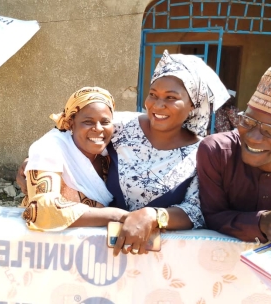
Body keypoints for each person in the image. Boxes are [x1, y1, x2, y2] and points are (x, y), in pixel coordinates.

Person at [17, 50, 230, 255]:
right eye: (153, 94)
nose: (158, 105)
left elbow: (196, 211)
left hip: (157, 256)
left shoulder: (202, 153)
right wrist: (37, 165)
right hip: (96, 245)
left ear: (194, 104)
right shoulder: (122, 126)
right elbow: (68, 134)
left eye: (171, 98)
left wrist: (153, 216)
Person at [21, 86, 128, 232]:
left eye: (104, 122)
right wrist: (115, 215)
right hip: (51, 244)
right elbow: (41, 209)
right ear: (71, 123)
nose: (98, 129)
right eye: (88, 122)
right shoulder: (50, 148)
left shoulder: (113, 153)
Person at [198, 67, 271, 243]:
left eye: (269, 131)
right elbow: (211, 216)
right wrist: (262, 222)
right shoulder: (217, 151)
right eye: (248, 121)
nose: (253, 138)